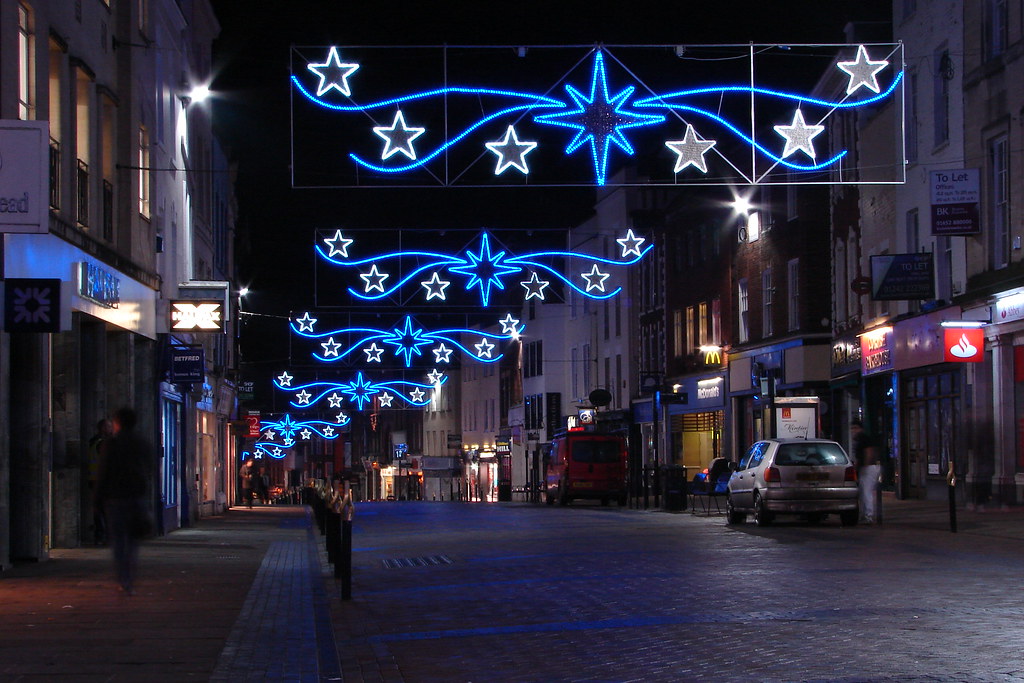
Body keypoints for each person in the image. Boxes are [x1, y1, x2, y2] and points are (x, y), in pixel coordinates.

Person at [95, 407, 152, 595]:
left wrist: (98, 497)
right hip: (136, 496)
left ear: (118, 422)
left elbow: (103, 472)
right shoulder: (141, 443)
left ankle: (123, 579)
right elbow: (149, 470)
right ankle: (128, 579)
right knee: (132, 541)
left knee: (119, 540)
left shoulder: (112, 444)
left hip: (116, 497)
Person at [87, 418, 113, 545]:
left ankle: (101, 536)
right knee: (106, 511)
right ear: (102, 428)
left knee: (99, 510)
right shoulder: (103, 443)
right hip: (104, 482)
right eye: (108, 426)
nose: (111, 429)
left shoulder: (93, 441)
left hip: (94, 480)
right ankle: (105, 537)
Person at [851, 420, 879, 523]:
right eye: (852, 428)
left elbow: (869, 452)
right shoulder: (859, 439)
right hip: (866, 467)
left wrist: (866, 465)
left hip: (868, 468)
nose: (853, 430)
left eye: (855, 428)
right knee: (863, 492)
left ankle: (868, 515)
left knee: (866, 492)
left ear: (860, 428)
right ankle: (864, 515)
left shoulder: (863, 438)